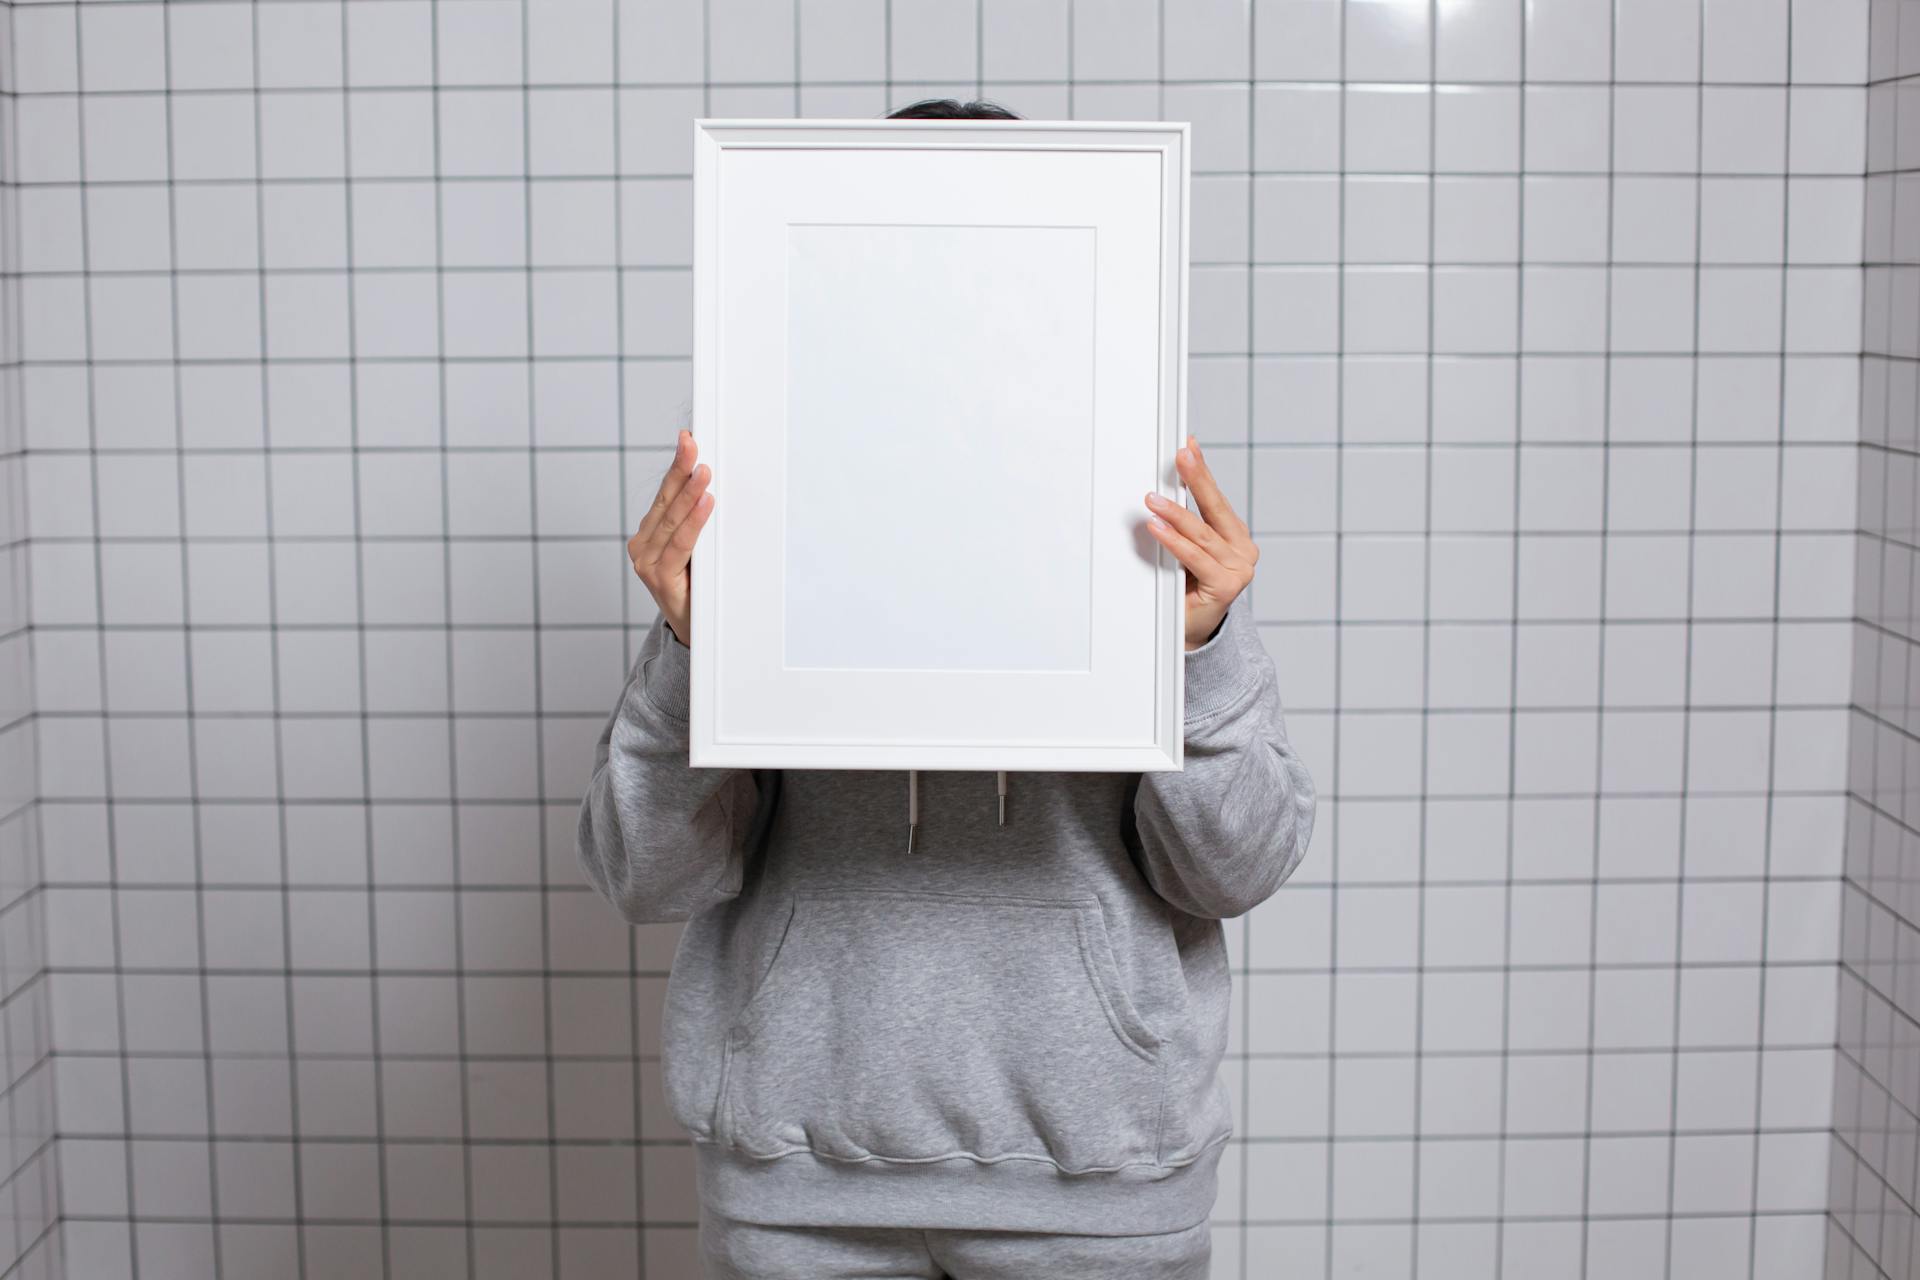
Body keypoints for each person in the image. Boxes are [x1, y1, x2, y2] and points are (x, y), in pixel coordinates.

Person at [574, 98, 1317, 1280]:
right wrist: (688, 652)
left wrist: (1203, 649)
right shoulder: (771, 506)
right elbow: (647, 871)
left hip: (1101, 1181)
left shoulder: (1132, 517)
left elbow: (1237, 867)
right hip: (796, 1180)